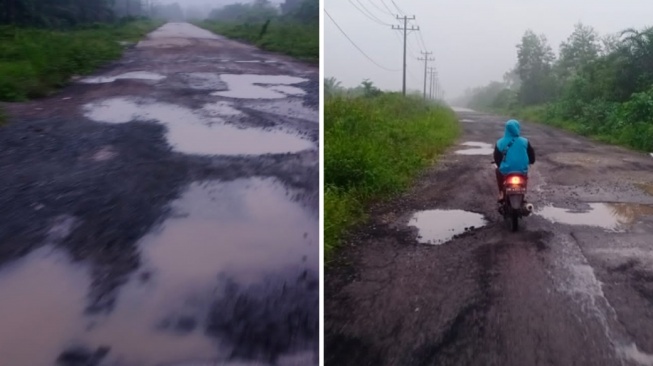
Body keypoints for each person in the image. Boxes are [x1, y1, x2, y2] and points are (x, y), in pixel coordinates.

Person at [493, 119, 535, 202]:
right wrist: (531, 161)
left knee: (498, 170)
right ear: (518, 128)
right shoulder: (525, 141)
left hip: (506, 170)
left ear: (506, 129)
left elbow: (497, 158)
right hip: (521, 170)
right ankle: (523, 192)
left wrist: (500, 165)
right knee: (525, 176)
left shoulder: (499, 142)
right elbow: (531, 156)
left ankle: (501, 192)